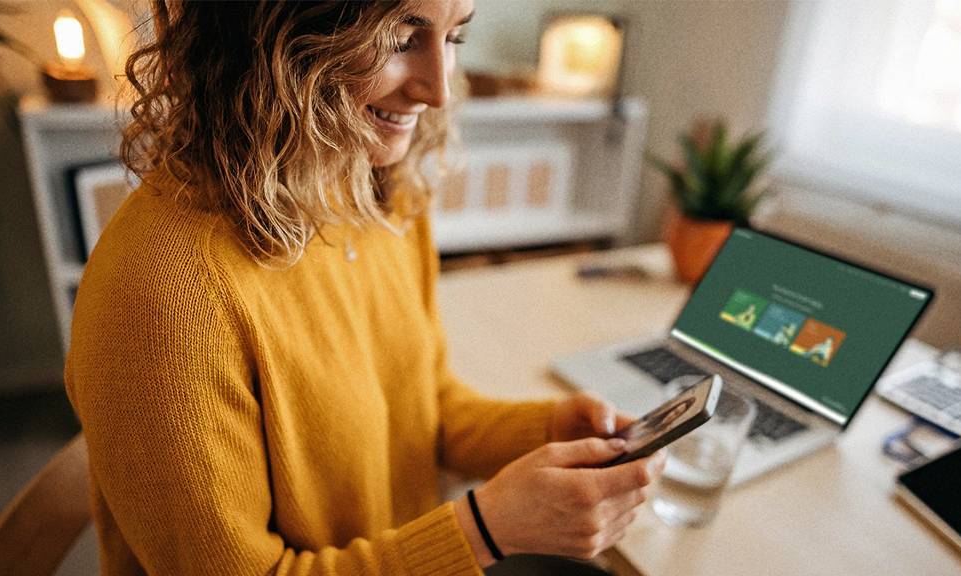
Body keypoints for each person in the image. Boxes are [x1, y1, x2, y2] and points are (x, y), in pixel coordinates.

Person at [64, 1, 665, 574]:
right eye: (398, 39)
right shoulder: (159, 294)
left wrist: (551, 431)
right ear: (272, 38)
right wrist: (483, 531)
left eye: (453, 37)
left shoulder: (378, 193)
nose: (439, 89)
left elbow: (424, 412)